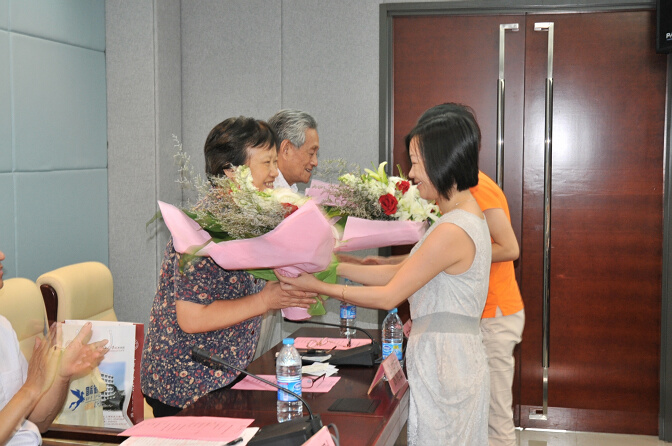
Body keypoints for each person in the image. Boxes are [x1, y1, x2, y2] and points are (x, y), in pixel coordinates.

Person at [278, 110, 491, 445]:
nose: (412, 173)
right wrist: (336, 266)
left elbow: (390, 294)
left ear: (441, 160)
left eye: (416, 163)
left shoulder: (454, 228)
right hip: (447, 358)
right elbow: (401, 272)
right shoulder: (460, 217)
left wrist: (318, 286)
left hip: (447, 363)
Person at [140, 116, 319, 417]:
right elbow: (191, 318)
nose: (275, 173)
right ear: (230, 171)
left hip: (227, 373)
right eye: (267, 163)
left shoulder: (251, 216)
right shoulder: (202, 228)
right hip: (186, 383)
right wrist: (265, 300)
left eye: (275, 162)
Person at [0, 250, 109, 446]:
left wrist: (61, 375)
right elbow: (29, 393)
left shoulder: (3, 327)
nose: (1, 255)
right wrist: (31, 388)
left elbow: (38, 422)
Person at [267, 109, 319, 192]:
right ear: (286, 149)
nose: (315, 162)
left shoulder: (289, 189)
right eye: (311, 153)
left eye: (316, 154)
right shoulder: (263, 192)